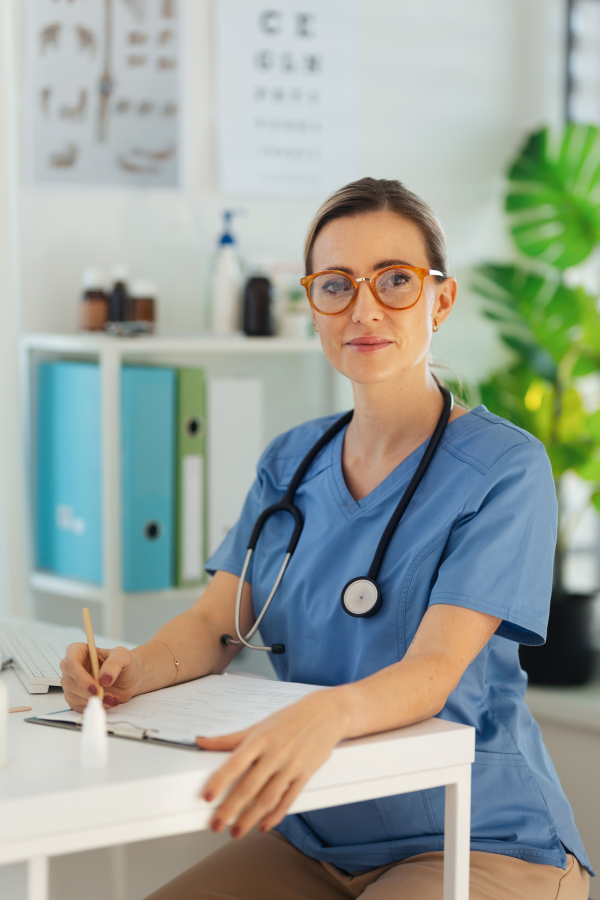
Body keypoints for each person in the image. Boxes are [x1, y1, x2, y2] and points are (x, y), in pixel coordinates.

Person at [61, 178, 593, 899]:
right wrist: (131, 668)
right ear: (314, 305)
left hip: (474, 837)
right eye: (336, 285)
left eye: (396, 280)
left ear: (441, 299)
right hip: (314, 834)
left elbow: (436, 669)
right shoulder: (292, 460)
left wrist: (325, 712)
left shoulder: (504, 467)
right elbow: (218, 624)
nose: (364, 308)